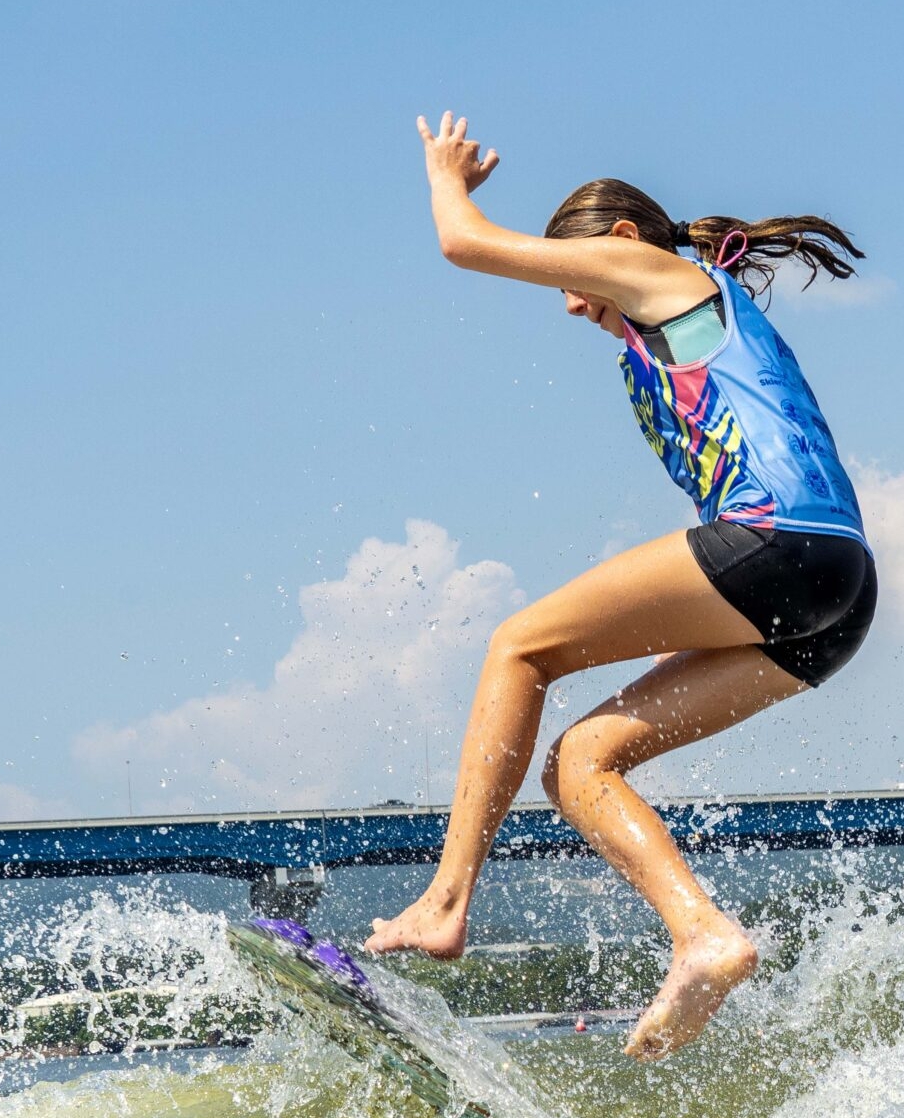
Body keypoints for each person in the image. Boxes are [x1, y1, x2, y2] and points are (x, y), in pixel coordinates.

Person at [366, 112, 878, 1060]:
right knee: (581, 762)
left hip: (781, 543)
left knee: (518, 645)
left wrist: (447, 180)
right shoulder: (662, 325)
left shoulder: (667, 278)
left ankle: (444, 903)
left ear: (619, 244)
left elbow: (461, 244)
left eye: (573, 279)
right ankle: (704, 935)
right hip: (833, 601)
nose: (567, 303)